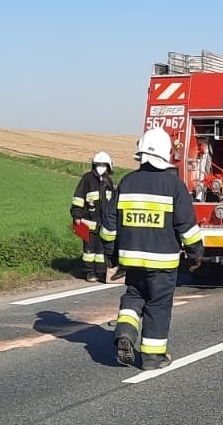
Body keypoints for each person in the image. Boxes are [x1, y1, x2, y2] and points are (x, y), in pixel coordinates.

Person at [100, 128, 203, 372]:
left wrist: (111, 253)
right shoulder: (174, 186)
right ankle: (152, 358)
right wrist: (195, 252)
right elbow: (186, 226)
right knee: (157, 306)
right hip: (162, 263)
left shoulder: (127, 181)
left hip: (131, 259)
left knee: (134, 295)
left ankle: (125, 331)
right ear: (166, 154)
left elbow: (109, 222)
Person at [70, 151, 119, 283]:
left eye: (104, 165)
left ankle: (101, 272)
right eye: (99, 165)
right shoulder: (87, 179)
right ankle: (89, 272)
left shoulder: (108, 181)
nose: (101, 167)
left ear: (108, 167)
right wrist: (76, 215)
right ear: (94, 165)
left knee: (102, 250)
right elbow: (78, 198)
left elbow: (113, 202)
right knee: (89, 250)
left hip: (103, 223)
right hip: (88, 222)